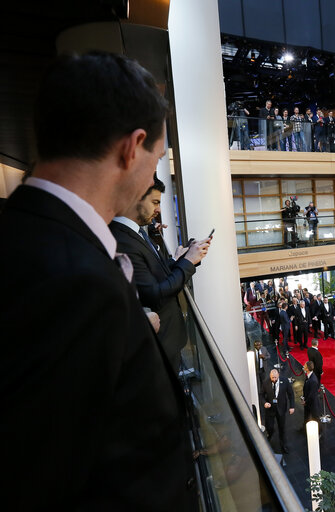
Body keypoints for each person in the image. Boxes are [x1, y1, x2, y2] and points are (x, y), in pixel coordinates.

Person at [0, 52, 197, 509]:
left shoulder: (27, 232)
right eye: (157, 159)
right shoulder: (73, 282)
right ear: (133, 147)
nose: (153, 174)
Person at [110, 175, 212, 372]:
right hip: (160, 342)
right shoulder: (122, 239)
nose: (158, 210)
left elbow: (153, 271)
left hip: (167, 341)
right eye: (155, 202)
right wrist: (189, 261)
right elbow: (154, 294)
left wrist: (177, 260)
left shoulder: (136, 233)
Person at [261, 369, 295, 454]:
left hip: (281, 408)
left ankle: (283, 445)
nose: (274, 379)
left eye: (275, 377)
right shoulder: (266, 383)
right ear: (270, 376)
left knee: (282, 428)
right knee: (269, 427)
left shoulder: (285, 381)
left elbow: (290, 394)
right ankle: (269, 436)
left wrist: (292, 406)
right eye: (272, 378)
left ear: (278, 375)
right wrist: (264, 403)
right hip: (270, 409)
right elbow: (261, 394)